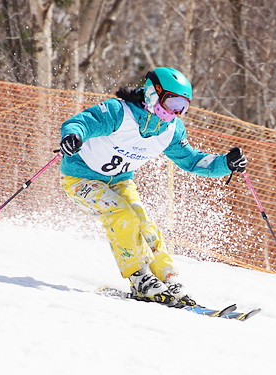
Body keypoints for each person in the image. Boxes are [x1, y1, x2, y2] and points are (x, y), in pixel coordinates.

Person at [59, 67, 247, 307]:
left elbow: (192, 160)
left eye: (183, 106)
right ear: (153, 93)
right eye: (173, 102)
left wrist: (226, 164)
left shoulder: (170, 130)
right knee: (122, 214)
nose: (177, 111)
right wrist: (73, 136)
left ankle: (167, 280)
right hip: (80, 179)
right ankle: (139, 277)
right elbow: (82, 123)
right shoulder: (119, 112)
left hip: (119, 181)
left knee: (144, 222)